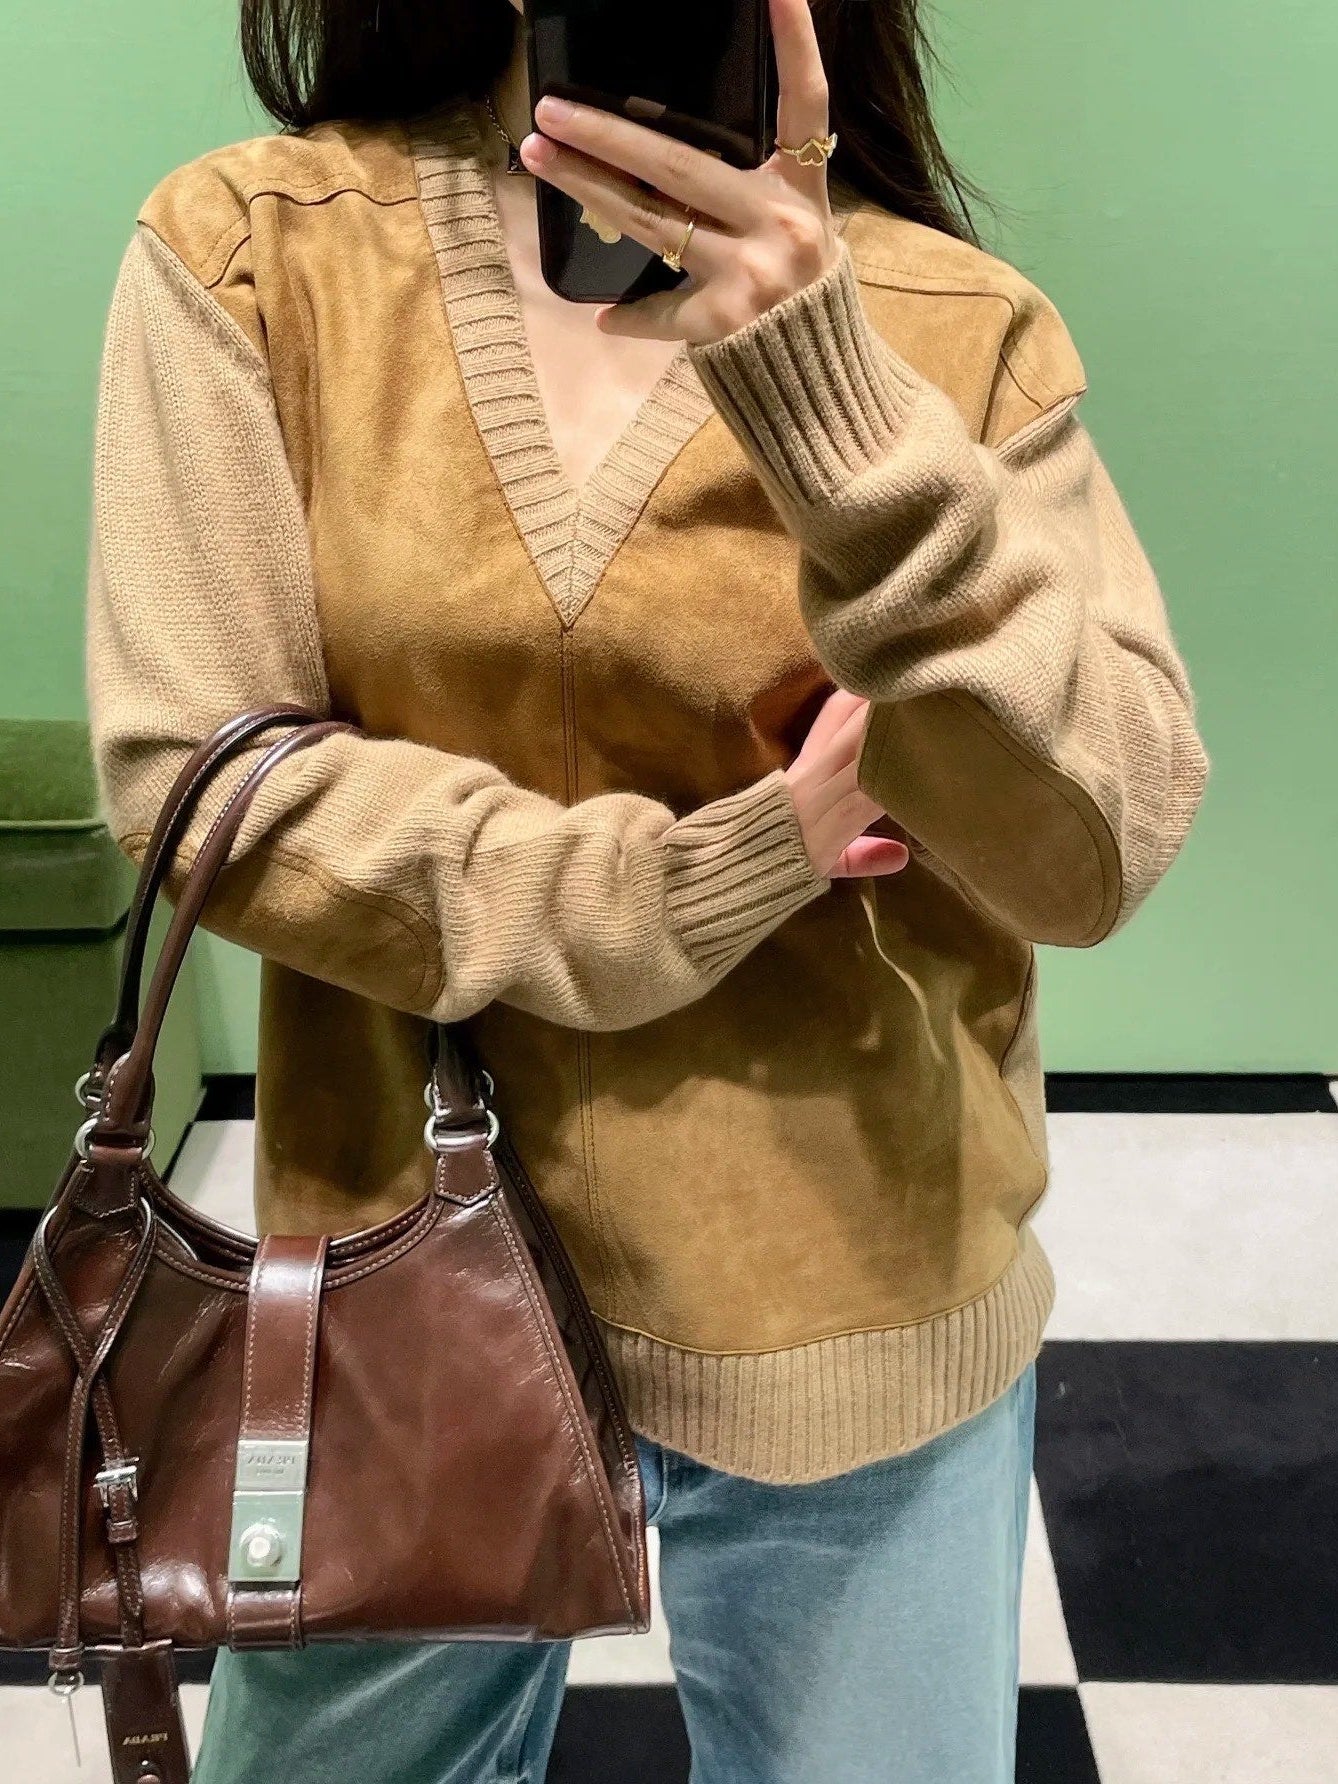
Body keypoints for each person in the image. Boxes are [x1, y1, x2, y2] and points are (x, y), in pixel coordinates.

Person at [83, 0, 1207, 1777]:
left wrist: (837, 411)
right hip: (395, 1293)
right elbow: (199, 778)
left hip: (857, 1287)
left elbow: (1099, 847)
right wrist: (704, 880)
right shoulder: (260, 252)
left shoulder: (952, 326)